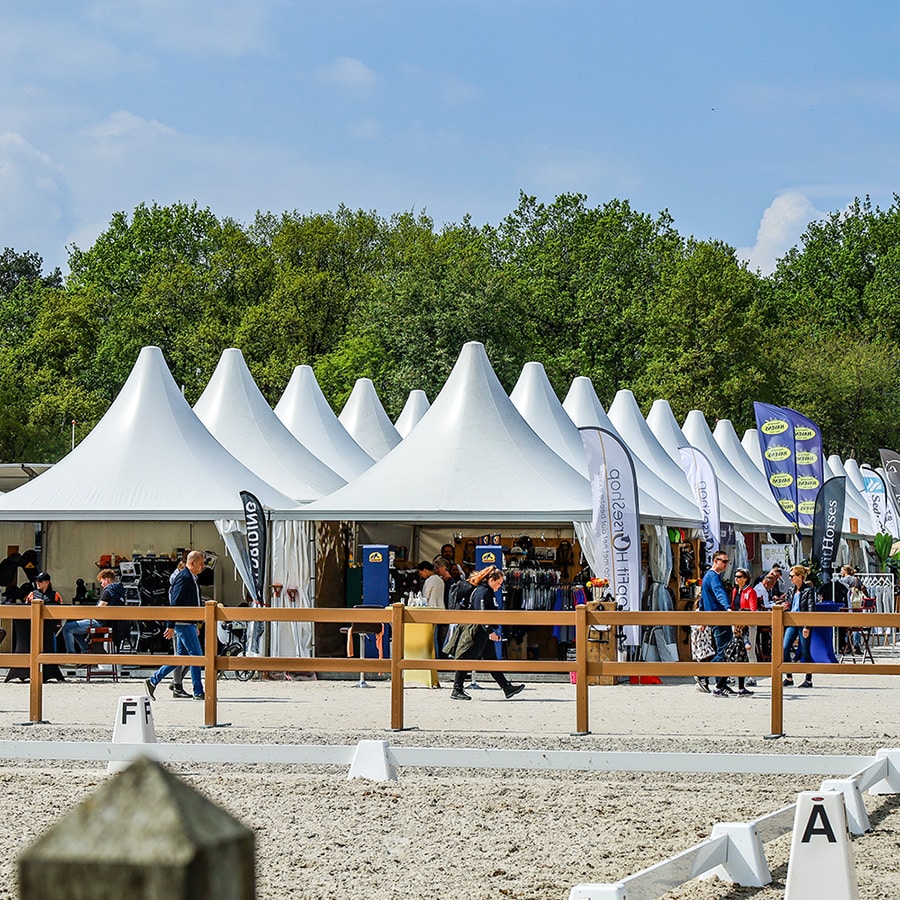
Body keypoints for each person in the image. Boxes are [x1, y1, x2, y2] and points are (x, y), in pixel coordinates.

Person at [447, 567, 524, 701]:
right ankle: (457, 689)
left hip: (482, 631)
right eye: (498, 583)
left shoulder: (487, 591)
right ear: (491, 580)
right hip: (476, 632)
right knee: (466, 658)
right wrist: (490, 631)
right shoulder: (482, 592)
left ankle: (506, 687)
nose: (500, 587)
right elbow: (481, 614)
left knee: (491, 661)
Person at [145, 550, 206, 700]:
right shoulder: (184, 578)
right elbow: (175, 602)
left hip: (186, 622)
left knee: (181, 658)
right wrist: (171, 625)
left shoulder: (190, 577)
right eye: (201, 563)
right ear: (192, 563)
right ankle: (198, 691)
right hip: (183, 623)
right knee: (196, 657)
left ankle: (153, 680)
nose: (203, 566)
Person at [5, 572, 66, 683]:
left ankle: (49, 671)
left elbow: (61, 610)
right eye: (37, 581)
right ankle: (26, 670)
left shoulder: (55, 595)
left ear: (47, 582)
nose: (38, 583)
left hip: (49, 627)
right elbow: (25, 609)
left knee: (50, 648)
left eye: (40, 581)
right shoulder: (32, 594)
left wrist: (58, 625)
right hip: (32, 627)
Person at [61, 568, 125, 656]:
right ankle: (85, 650)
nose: (101, 585)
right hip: (113, 623)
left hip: (100, 622)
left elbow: (99, 610)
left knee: (67, 628)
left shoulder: (108, 592)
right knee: (74, 628)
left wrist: (87, 614)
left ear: (107, 579)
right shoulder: (120, 592)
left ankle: (72, 656)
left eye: (102, 582)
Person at [700, 551, 734, 696]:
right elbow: (719, 592)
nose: (726, 564)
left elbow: (703, 598)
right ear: (716, 560)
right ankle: (703, 674)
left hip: (714, 618)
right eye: (723, 561)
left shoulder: (708, 576)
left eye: (727, 562)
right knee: (725, 650)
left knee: (724, 649)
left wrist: (702, 618)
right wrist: (727, 607)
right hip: (719, 617)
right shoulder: (713, 576)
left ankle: (721, 683)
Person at [781, 564, 816, 689]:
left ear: (800, 577)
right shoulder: (791, 590)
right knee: (785, 647)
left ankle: (808, 679)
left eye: (792, 576)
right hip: (792, 623)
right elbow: (790, 605)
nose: (790, 578)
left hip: (803, 623)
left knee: (805, 651)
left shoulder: (808, 590)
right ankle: (788, 677)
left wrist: (807, 626)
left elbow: (811, 609)